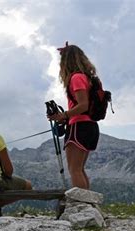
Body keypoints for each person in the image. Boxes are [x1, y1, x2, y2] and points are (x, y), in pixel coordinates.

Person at [48, 42, 100, 189]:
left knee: (74, 169)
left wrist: (63, 115)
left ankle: (82, 205)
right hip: (90, 125)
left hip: (79, 126)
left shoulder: (76, 78)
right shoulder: (88, 77)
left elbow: (83, 105)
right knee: (79, 169)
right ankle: (87, 205)